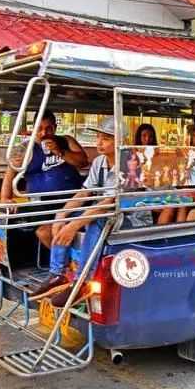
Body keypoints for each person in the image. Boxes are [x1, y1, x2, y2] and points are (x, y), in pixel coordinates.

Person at [30, 117, 153, 304]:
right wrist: (61, 216)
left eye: (106, 138)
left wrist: (74, 225)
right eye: (98, 137)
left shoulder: (133, 164)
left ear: (120, 141)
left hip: (132, 220)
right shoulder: (99, 162)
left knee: (95, 220)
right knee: (70, 216)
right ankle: (57, 273)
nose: (99, 142)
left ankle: (82, 281)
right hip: (109, 214)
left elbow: (109, 203)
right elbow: (84, 193)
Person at [0, 110, 88, 249]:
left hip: (73, 198)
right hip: (41, 202)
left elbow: (83, 161)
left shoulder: (66, 141)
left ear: (55, 128)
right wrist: (5, 198)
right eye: (39, 129)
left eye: (49, 129)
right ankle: (62, 262)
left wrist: (60, 151)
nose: (44, 133)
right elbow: (9, 175)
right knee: (44, 231)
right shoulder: (24, 149)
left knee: (89, 223)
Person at [157, 124, 195, 224]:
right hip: (183, 190)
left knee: (182, 202)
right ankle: (159, 235)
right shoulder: (187, 154)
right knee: (171, 204)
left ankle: (180, 234)